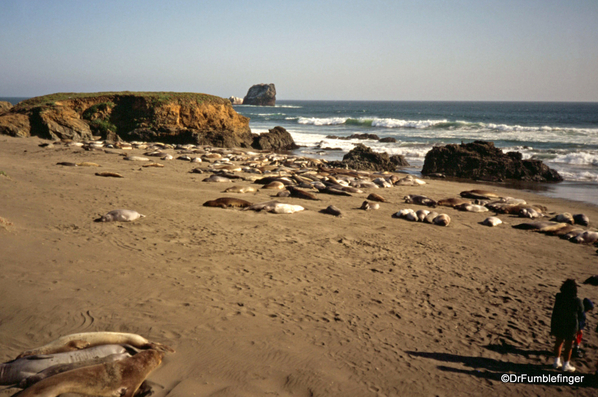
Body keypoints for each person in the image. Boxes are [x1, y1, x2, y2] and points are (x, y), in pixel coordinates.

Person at [550, 279, 584, 372]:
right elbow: (581, 313)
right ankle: (566, 364)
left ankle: (556, 362)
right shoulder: (577, 301)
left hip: (559, 322)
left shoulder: (559, 297)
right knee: (568, 346)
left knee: (558, 343)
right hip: (571, 325)